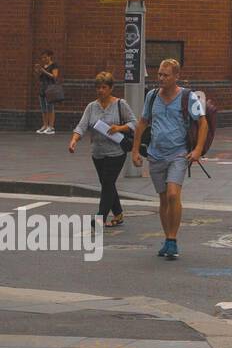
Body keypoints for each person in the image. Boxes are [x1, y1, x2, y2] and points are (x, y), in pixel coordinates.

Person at [131, 58, 207, 261]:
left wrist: (198, 149)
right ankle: (168, 239)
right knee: (164, 199)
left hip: (178, 154)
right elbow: (142, 123)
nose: (161, 78)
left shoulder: (188, 97)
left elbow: (202, 122)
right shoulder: (152, 96)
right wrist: (135, 150)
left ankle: (173, 239)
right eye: (159, 75)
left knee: (173, 194)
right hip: (156, 155)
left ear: (176, 76)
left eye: (166, 75)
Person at [69, 72, 136, 227]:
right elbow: (82, 125)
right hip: (97, 153)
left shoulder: (120, 104)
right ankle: (118, 214)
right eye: (98, 87)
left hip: (116, 152)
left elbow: (134, 123)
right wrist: (74, 140)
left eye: (104, 87)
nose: (100, 90)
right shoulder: (92, 107)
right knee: (107, 184)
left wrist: (119, 127)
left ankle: (100, 217)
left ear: (111, 88)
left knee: (107, 182)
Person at [35, 50, 61, 134]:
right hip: (42, 89)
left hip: (50, 89)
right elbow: (40, 78)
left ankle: (51, 127)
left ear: (50, 56)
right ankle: (45, 125)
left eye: (45, 57)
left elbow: (54, 76)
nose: (44, 59)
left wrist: (43, 71)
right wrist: (38, 71)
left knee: (50, 107)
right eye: (42, 58)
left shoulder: (54, 65)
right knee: (43, 108)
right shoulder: (44, 66)